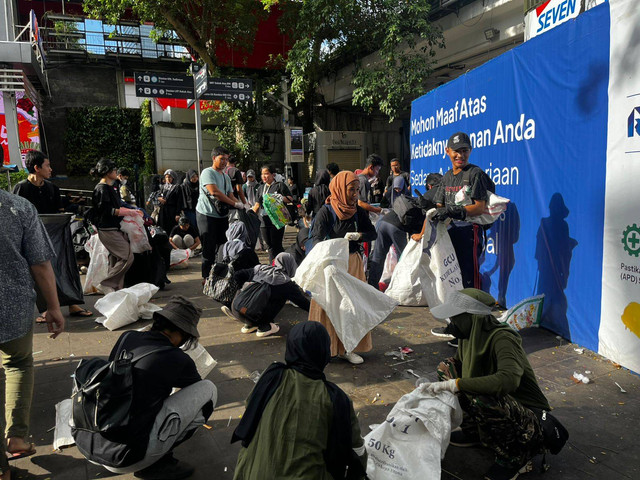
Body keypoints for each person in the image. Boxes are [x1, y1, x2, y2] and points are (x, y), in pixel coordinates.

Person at [75, 296, 217, 480]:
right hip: (126, 457)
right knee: (208, 389)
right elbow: (194, 387)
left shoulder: (128, 336)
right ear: (181, 334)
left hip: (89, 442)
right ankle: (158, 463)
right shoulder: (176, 357)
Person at [423, 289, 551, 480]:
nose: (451, 323)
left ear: (472, 318)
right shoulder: (470, 336)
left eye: (455, 317)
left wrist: (457, 384)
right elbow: (461, 370)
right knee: (448, 368)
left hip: (528, 420)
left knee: (480, 394)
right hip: (503, 406)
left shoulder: (503, 338)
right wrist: (452, 382)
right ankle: (475, 431)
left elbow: (508, 380)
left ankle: (514, 458)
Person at [232, 321, 367, 480]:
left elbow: (251, 410)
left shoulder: (271, 377)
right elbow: (357, 450)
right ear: (323, 352)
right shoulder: (335, 398)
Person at [0, 188, 65, 480]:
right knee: (17, 364)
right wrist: (53, 306)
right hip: (11, 306)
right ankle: (16, 437)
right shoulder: (18, 207)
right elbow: (40, 263)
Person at [13, 150, 92, 318]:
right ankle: (46, 310)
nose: (50, 169)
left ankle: (73, 303)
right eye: (47, 166)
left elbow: (59, 212)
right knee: (39, 273)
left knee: (65, 266)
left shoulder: (52, 188)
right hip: (31, 239)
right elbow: (16, 218)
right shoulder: (21, 189)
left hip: (56, 236)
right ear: (36, 167)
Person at [309, 171, 376, 364]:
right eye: (351, 190)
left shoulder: (358, 212)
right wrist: (334, 249)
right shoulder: (326, 212)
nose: (355, 194)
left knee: (352, 307)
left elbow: (373, 234)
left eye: (357, 190)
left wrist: (359, 236)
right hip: (331, 266)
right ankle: (326, 347)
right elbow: (316, 240)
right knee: (328, 307)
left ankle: (348, 348)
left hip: (353, 264)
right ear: (339, 188)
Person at [413, 132, 493, 291]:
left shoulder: (475, 174)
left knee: (468, 275)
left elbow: (479, 207)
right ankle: (456, 311)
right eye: (456, 151)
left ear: (470, 151)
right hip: (448, 233)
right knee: (449, 275)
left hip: (469, 231)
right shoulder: (447, 177)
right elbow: (436, 209)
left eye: (465, 150)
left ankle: (472, 310)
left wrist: (452, 211)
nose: (460, 155)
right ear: (447, 151)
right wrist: (422, 233)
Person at [226, 253, 309, 337]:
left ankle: (249, 325)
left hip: (236, 309)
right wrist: (319, 310)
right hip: (256, 317)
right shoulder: (285, 282)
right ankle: (264, 327)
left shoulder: (260, 268)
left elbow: (237, 275)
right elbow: (302, 302)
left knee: (258, 296)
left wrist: (243, 289)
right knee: (278, 297)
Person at [91, 158, 141, 293]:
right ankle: (107, 283)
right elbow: (106, 210)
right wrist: (128, 211)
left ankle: (117, 291)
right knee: (127, 256)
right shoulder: (102, 188)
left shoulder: (109, 187)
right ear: (107, 172)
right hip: (108, 229)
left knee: (116, 259)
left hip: (114, 228)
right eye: (113, 169)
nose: (116, 172)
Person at [368, 175, 425, 290]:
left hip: (383, 222)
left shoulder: (409, 201)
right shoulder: (423, 213)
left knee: (378, 256)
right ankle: (402, 287)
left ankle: (372, 287)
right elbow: (417, 235)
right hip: (396, 228)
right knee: (403, 257)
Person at [197, 147, 244, 282]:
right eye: (221, 159)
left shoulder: (225, 177)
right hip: (206, 215)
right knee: (208, 248)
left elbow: (230, 195)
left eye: (226, 159)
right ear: (214, 158)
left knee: (223, 246)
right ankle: (206, 278)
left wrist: (242, 204)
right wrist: (235, 204)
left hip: (221, 216)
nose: (224, 162)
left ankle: (219, 275)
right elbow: (215, 192)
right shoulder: (207, 172)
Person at [251, 165, 293, 263]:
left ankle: (283, 264)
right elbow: (257, 205)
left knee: (277, 245)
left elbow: (290, 199)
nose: (264, 176)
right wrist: (250, 216)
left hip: (277, 220)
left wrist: (281, 197)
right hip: (264, 221)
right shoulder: (261, 188)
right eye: (262, 174)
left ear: (272, 174)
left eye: (266, 173)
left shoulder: (279, 185)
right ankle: (272, 266)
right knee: (269, 246)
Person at [157, 169, 181, 234]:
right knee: (162, 226)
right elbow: (159, 195)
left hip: (172, 211)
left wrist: (177, 214)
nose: (168, 179)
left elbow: (179, 201)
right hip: (163, 210)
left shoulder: (177, 187)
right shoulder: (163, 187)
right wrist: (159, 199)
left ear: (173, 177)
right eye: (166, 177)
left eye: (170, 177)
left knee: (171, 227)